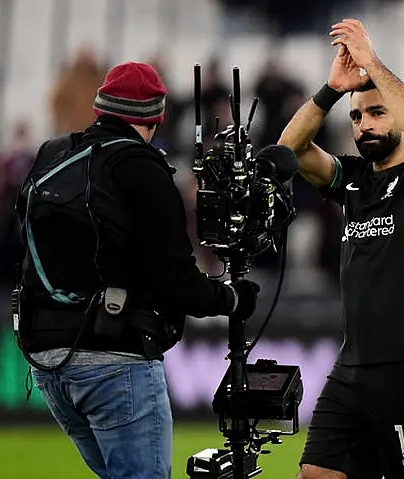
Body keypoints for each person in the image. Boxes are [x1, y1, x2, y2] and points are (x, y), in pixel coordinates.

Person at [14, 61, 260, 479]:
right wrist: (232, 298)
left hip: (46, 362)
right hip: (114, 355)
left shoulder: (53, 154)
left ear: (101, 107)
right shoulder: (141, 166)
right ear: (154, 119)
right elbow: (174, 280)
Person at [279, 19, 404, 478]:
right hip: (353, 362)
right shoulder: (354, 179)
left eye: (377, 112)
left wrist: (372, 65)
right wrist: (332, 90)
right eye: (357, 117)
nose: (363, 125)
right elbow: (289, 150)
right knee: (315, 473)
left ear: (398, 113)